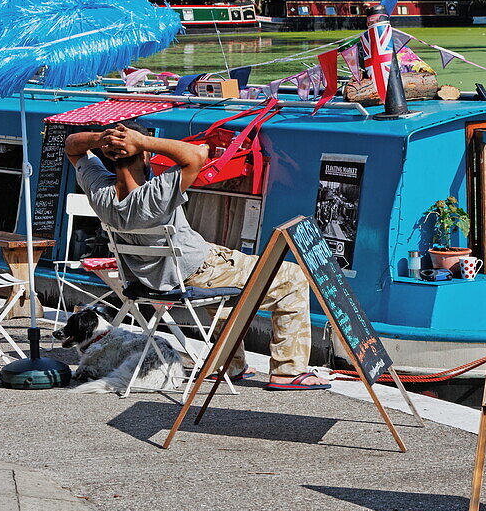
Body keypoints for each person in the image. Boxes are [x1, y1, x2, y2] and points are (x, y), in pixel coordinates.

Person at [64, 121, 328, 389]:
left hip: (158, 279)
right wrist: (143, 142)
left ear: (109, 154)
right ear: (143, 154)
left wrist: (102, 138)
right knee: (293, 277)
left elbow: (72, 147)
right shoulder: (155, 193)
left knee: (231, 282)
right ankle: (288, 371)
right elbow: (198, 154)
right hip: (200, 272)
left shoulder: (102, 194)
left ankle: (229, 364)